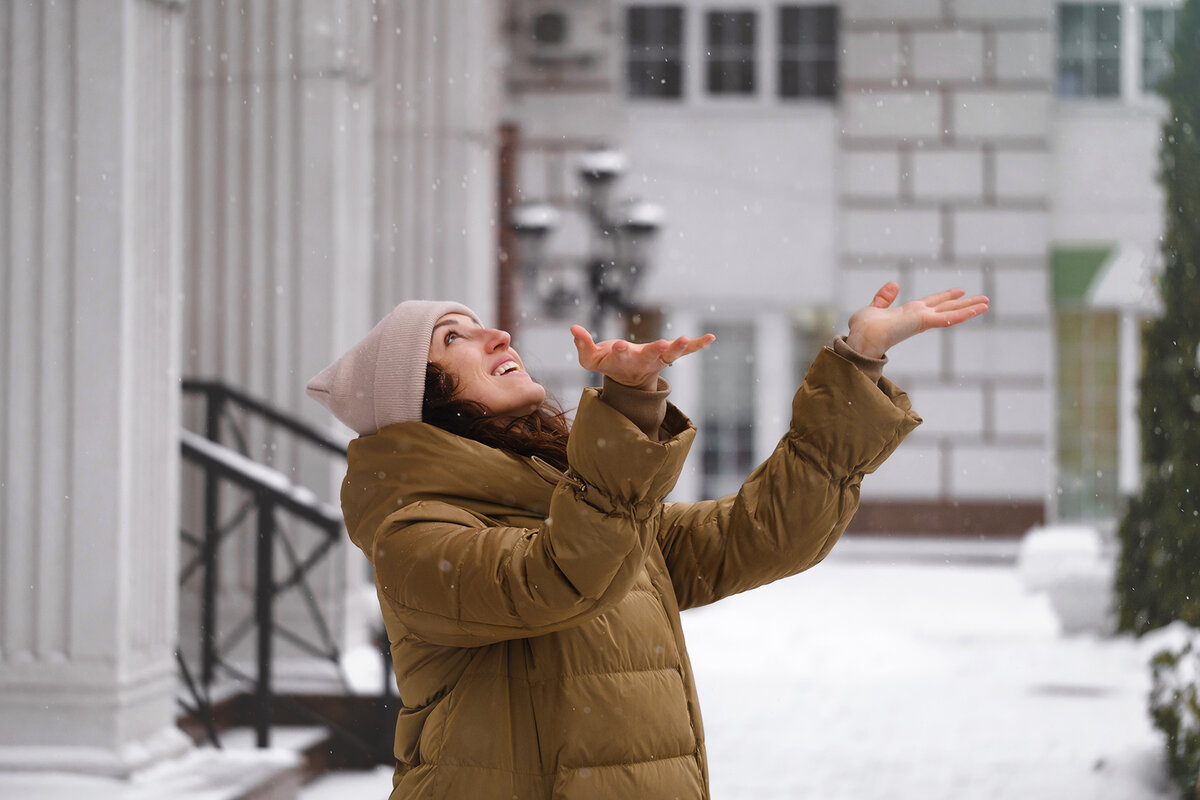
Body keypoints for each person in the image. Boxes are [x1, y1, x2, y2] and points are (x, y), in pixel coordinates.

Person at [306, 282, 989, 800]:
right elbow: (558, 577)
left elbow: (760, 535)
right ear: (418, 401)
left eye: (483, 325)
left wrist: (856, 365)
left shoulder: (578, 502)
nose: (498, 335)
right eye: (454, 338)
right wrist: (629, 408)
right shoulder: (415, 534)